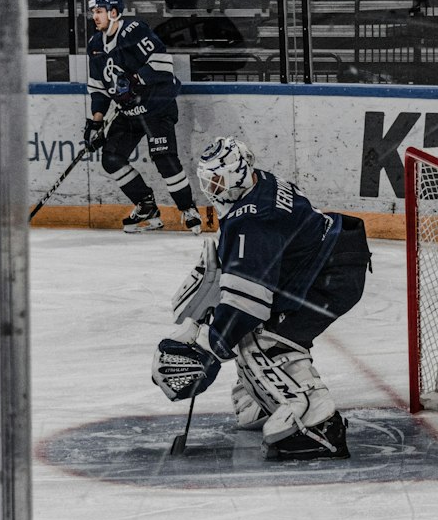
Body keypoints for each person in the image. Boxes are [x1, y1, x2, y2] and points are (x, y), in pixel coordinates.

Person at [152, 137, 372, 460]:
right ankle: (263, 400)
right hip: (329, 261)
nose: (210, 189)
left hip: (332, 275)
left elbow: (245, 305)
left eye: (215, 180)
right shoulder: (257, 185)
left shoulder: (253, 219)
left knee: (264, 339)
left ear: (235, 176)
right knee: (251, 330)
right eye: (206, 181)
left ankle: (316, 422)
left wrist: (211, 344)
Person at [84, 0, 202, 233]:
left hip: (156, 106)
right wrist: (95, 122)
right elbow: (98, 88)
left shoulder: (133, 30)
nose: (95, 17)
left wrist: (135, 79)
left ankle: (188, 208)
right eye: (93, 12)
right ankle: (146, 205)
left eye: (99, 11)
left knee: (164, 157)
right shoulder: (95, 45)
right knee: (111, 159)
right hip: (128, 112)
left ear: (114, 12)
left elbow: (163, 62)